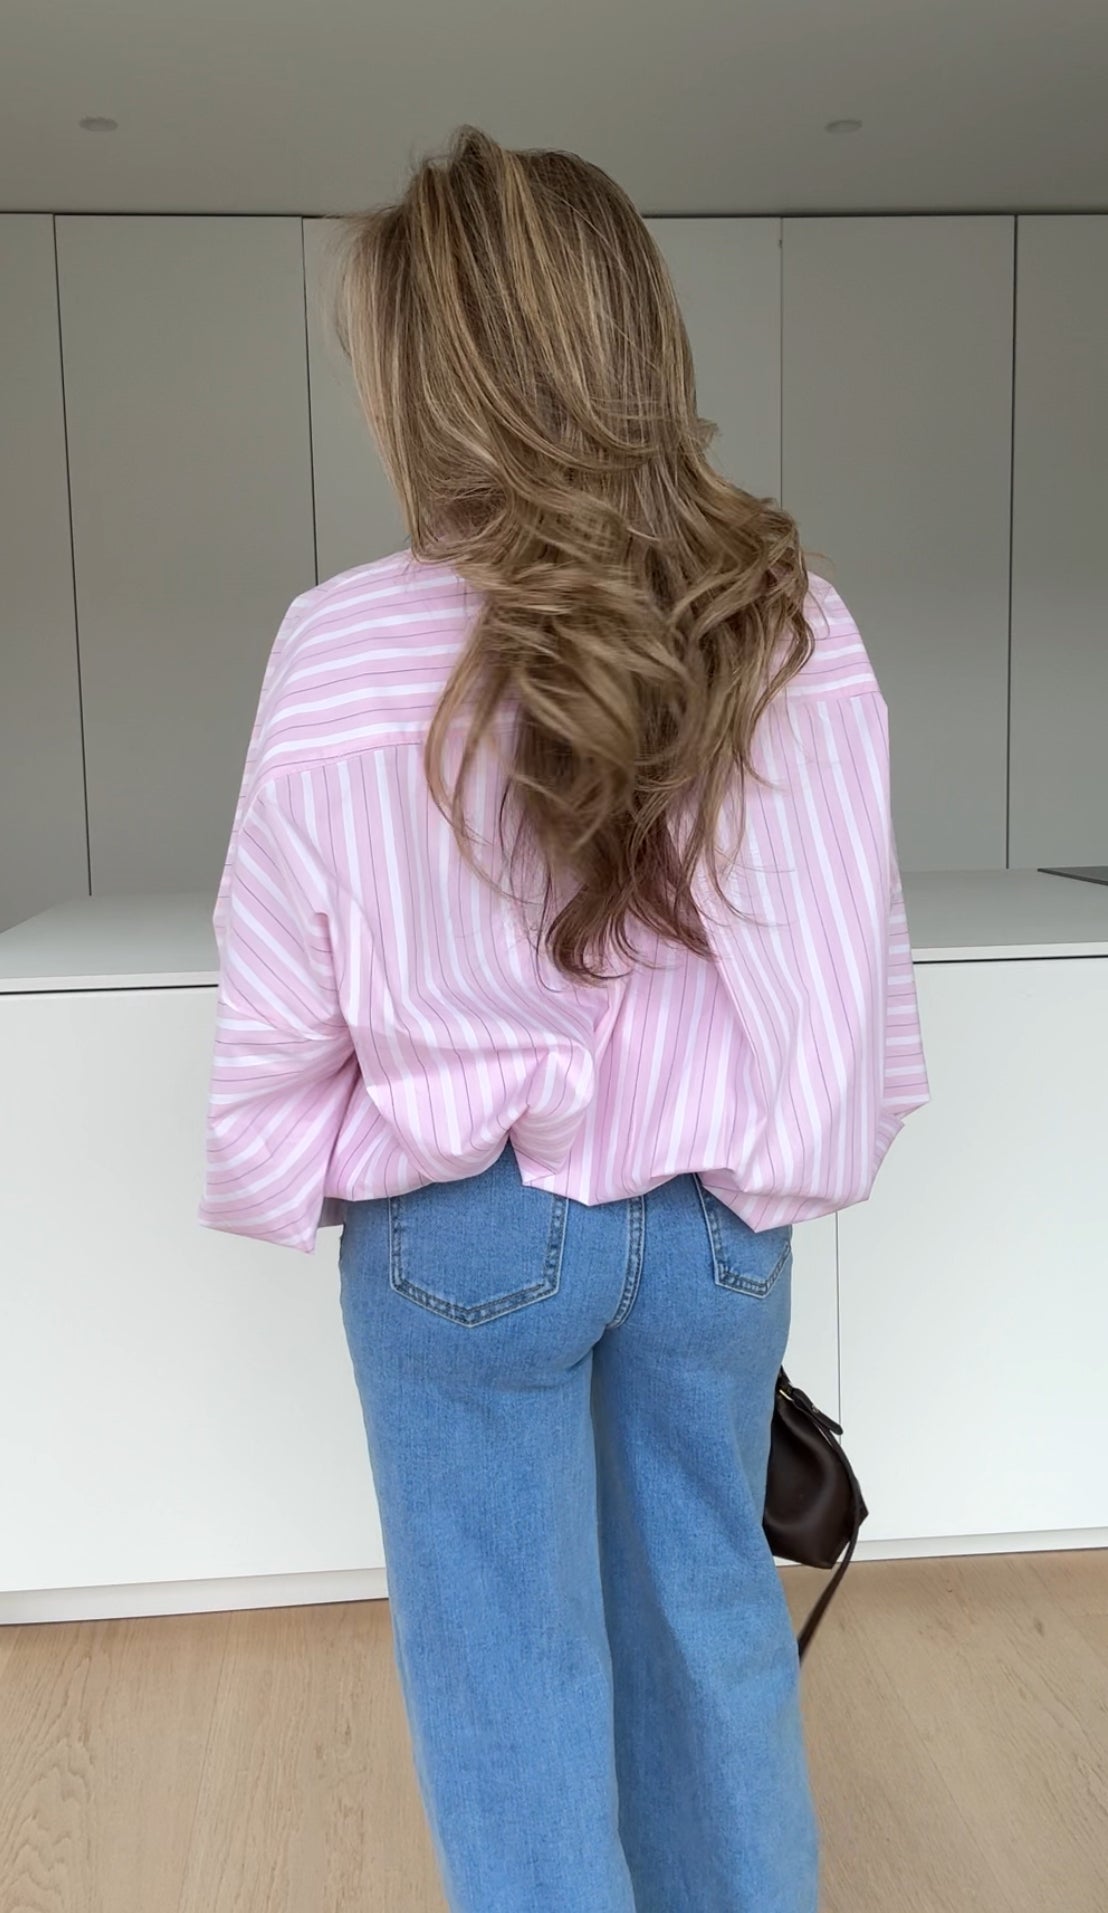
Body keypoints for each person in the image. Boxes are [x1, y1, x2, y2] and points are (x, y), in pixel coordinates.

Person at [199, 126, 929, 1913]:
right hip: (713, 1232)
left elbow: (276, 1026)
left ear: (426, 383)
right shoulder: (793, 623)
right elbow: (851, 983)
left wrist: (328, 1155)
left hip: (463, 1227)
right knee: (712, 1635)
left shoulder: (340, 648)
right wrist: (768, 1167)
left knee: (505, 1679)